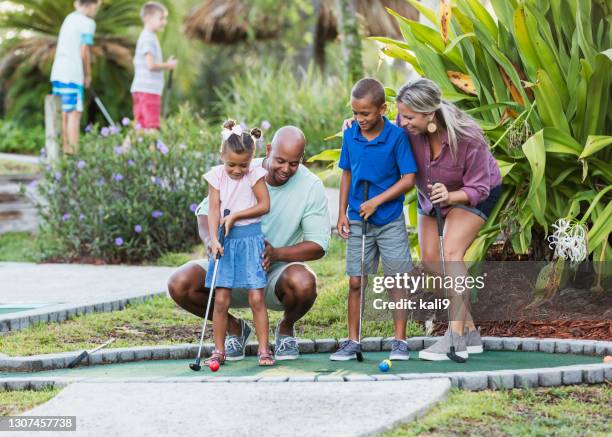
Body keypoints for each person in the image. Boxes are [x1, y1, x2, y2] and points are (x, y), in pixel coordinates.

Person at [168, 126, 330, 362]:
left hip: (272, 274)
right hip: (229, 261)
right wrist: (211, 243)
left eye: (293, 164)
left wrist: (275, 254)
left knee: (304, 282)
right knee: (179, 282)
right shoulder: (240, 166)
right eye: (280, 161)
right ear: (268, 150)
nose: (286, 169)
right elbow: (206, 211)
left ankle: (285, 330)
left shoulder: (311, 186)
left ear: (301, 159)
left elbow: (318, 245)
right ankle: (235, 328)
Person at [396, 77, 502, 361]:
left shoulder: (468, 136)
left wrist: (452, 196)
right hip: (430, 194)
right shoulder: (405, 121)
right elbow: (383, 134)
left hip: (473, 193)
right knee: (431, 261)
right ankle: (469, 331)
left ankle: (455, 339)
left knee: (452, 253)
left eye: (409, 117)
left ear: (430, 113)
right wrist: (353, 127)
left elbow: (478, 187)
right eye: (401, 115)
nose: (402, 122)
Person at [331, 78, 417, 362]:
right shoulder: (350, 135)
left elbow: (408, 179)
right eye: (355, 113)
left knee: (397, 280)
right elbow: (346, 173)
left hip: (390, 220)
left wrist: (377, 201)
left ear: (383, 109)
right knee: (356, 281)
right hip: (357, 220)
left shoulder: (396, 137)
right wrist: (342, 212)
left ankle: (400, 342)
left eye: (365, 113)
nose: (359, 119)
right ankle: (352, 341)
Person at [204, 120, 272, 366]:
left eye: (242, 165)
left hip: (250, 239)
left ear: (251, 159)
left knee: (256, 298)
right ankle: (219, 350)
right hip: (225, 241)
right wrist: (213, 239)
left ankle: (264, 349)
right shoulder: (216, 175)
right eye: (231, 164)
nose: (236, 170)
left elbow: (264, 205)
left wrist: (235, 216)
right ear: (222, 156)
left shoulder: (254, 174)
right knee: (221, 299)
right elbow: (213, 209)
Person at [50, 0, 100, 154]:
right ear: (92, 4)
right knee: (74, 114)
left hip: (58, 71)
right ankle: (73, 155)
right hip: (73, 73)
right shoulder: (88, 23)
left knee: (63, 113)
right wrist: (87, 75)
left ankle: (62, 154)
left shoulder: (69, 18)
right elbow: (84, 51)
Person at [130, 2, 177, 132]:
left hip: (140, 89)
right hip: (148, 90)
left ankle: (122, 151)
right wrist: (168, 65)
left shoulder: (146, 37)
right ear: (147, 19)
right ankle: (153, 153)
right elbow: (150, 65)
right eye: (161, 18)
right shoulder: (148, 38)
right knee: (152, 126)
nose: (164, 22)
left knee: (139, 126)